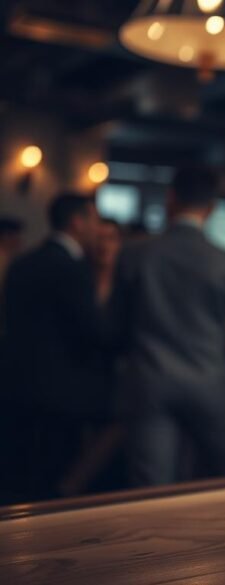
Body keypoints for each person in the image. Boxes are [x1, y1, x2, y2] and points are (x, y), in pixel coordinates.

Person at [109, 166, 225, 486]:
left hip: (149, 381)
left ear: (170, 199)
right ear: (212, 209)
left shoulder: (134, 255)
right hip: (210, 381)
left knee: (150, 488)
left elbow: (115, 327)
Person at [1, 194, 108, 497]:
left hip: (15, 383)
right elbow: (92, 332)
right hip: (62, 389)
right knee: (53, 475)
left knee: (19, 473)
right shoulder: (73, 268)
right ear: (78, 222)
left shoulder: (21, 263)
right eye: (94, 220)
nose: (97, 229)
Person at [0, 216, 25, 334]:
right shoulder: (4, 262)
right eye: (17, 236)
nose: (20, 241)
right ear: (6, 236)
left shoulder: (10, 260)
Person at [92, 219, 122, 306]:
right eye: (99, 238)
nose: (104, 245)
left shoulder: (128, 284)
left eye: (111, 238)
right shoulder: (79, 281)